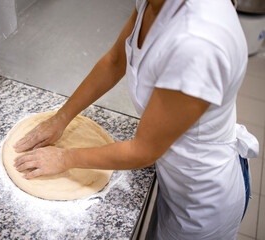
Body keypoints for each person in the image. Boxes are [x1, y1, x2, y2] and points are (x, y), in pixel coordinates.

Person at [13, 0, 259, 239]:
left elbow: (143, 150)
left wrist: (65, 158)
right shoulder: (154, 3)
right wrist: (61, 118)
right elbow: (115, 61)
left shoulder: (200, 41)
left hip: (202, 203)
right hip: (173, 177)